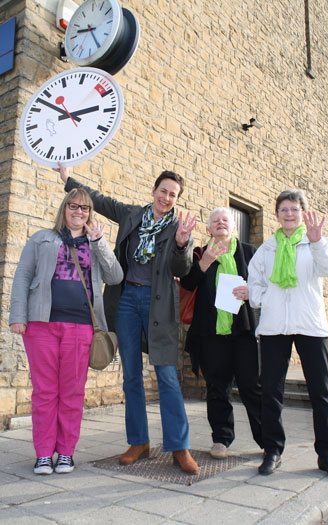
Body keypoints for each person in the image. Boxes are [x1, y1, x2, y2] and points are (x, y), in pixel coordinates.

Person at [58, 165, 199, 474]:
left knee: (167, 375)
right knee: (131, 374)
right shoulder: (132, 214)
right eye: (163, 191)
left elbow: (181, 269)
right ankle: (139, 442)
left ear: (177, 199)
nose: (166, 197)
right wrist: (68, 178)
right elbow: (99, 200)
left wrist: (180, 243)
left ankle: (179, 446)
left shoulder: (177, 229)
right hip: (126, 300)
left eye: (173, 194)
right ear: (154, 191)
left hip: (158, 304)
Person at [9, 189, 123, 475]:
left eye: (84, 208)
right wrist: (17, 316)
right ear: (64, 208)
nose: (78, 212)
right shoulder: (41, 239)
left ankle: (66, 453)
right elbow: (23, 276)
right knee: (45, 391)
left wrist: (100, 242)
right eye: (73, 206)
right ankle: (44, 454)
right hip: (41, 324)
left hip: (82, 326)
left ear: (89, 214)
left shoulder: (94, 243)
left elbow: (115, 276)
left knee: (71, 392)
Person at [248, 189, 328, 480]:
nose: (289, 214)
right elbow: (254, 285)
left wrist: (317, 242)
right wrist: (266, 300)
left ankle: (326, 454)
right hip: (274, 327)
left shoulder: (315, 242)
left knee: (321, 392)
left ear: (302, 213)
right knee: (271, 392)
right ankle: (273, 450)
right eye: (284, 210)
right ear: (277, 214)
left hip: (311, 327)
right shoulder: (267, 249)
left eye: (294, 209)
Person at [180, 207, 262, 459]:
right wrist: (203, 264)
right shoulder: (198, 254)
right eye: (214, 221)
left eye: (225, 220)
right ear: (208, 229)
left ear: (233, 226)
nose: (220, 223)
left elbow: (265, 284)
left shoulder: (250, 253)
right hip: (211, 334)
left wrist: (251, 291)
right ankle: (221, 440)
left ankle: (267, 439)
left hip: (243, 331)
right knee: (217, 388)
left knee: (252, 386)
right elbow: (186, 283)